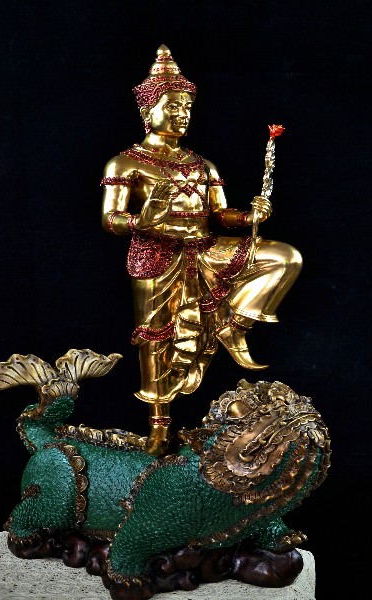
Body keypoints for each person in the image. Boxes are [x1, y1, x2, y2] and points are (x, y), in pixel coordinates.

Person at [101, 45, 302, 456]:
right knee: (156, 337)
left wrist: (248, 216)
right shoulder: (126, 164)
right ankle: (159, 425)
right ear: (148, 109)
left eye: (187, 108)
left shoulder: (202, 164)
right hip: (157, 256)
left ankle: (233, 322)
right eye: (173, 106)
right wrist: (142, 222)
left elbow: (219, 214)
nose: (182, 115)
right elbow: (110, 219)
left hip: (206, 248)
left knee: (285, 257)